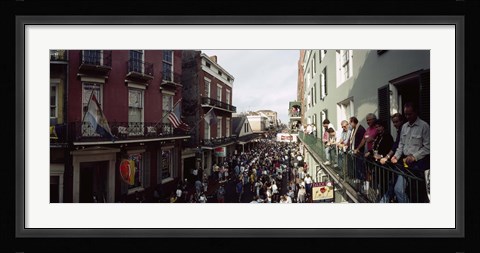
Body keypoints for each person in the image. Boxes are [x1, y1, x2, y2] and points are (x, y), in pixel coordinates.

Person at [390, 102, 430, 203]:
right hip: (404, 163)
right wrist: (396, 156)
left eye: (410, 114)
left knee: (415, 193)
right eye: (406, 114)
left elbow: (428, 147)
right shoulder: (404, 127)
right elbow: (401, 145)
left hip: (418, 165)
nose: (407, 116)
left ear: (416, 112)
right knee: (398, 190)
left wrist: (414, 157)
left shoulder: (424, 126)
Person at [349, 116, 367, 183]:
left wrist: (358, 149)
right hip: (355, 151)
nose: (350, 125)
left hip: (359, 151)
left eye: (350, 123)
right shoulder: (354, 129)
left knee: (360, 166)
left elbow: (362, 140)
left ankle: (361, 180)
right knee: (357, 166)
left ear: (353, 122)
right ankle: (358, 178)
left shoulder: (360, 129)